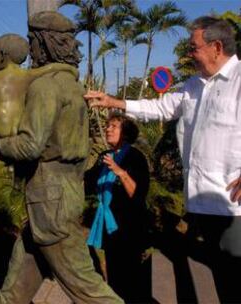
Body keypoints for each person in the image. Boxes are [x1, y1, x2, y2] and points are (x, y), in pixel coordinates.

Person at [85, 16, 241, 303]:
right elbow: (158, 107)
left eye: (193, 48)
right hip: (202, 204)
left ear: (216, 47)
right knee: (223, 282)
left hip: (234, 210)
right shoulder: (194, 86)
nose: (188, 54)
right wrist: (114, 102)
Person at [0, 11, 122, 304]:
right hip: (57, 199)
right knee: (15, 287)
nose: (29, 50)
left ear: (43, 44)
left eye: (33, 42)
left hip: (50, 204)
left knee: (88, 290)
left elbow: (30, 146)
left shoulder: (46, 87)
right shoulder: (71, 85)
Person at [85, 113, 151, 303]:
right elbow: (88, 182)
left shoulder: (135, 157)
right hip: (109, 225)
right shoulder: (104, 156)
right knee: (114, 277)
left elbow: (138, 194)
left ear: (126, 132)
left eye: (114, 126)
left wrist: (120, 172)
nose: (108, 129)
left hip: (130, 228)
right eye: (107, 126)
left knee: (130, 280)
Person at [0, 33, 78, 138]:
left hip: (0, 128)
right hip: (19, 127)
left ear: (2, 56)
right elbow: (51, 68)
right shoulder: (27, 75)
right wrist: (71, 69)